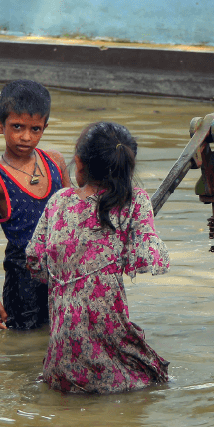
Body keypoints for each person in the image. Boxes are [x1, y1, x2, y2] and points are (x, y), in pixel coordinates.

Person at [26, 122, 170, 393]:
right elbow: (151, 259)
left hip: (60, 361)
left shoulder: (58, 201)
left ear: (79, 163)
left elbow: (35, 261)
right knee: (156, 379)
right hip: (109, 355)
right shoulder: (136, 201)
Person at [0, 80, 70, 331]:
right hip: (21, 278)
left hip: (60, 271)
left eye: (35, 129)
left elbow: (74, 217)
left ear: (44, 128)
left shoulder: (55, 162)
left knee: (60, 334)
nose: (26, 137)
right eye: (17, 127)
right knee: (23, 344)